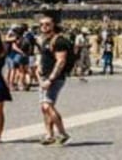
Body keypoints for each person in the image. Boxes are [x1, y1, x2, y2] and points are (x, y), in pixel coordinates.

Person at [35, 14, 72, 147]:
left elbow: (61, 61)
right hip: (44, 76)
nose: (43, 27)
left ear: (53, 25)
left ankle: (62, 134)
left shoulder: (59, 41)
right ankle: (49, 135)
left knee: (47, 105)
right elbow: (43, 58)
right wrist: (39, 70)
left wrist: (50, 79)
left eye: (47, 24)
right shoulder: (45, 40)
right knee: (44, 108)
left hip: (54, 78)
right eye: (41, 24)